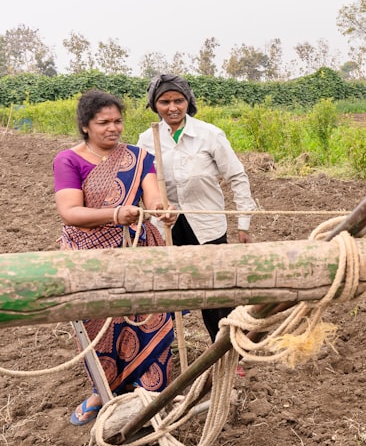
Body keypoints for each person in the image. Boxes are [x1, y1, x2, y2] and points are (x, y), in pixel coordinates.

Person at [53, 88, 178, 425]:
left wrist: (163, 211)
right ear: (85, 126)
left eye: (118, 121)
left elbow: (153, 199)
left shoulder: (139, 157)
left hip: (139, 252)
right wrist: (114, 214)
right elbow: (70, 212)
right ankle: (103, 391)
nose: (113, 128)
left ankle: (152, 394)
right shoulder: (69, 160)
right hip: (90, 257)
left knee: (150, 320)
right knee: (101, 328)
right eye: (103, 122)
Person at [137, 74, 259, 365]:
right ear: (155, 105)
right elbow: (141, 181)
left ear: (188, 102)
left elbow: (237, 177)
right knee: (166, 290)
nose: (172, 107)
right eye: (164, 102)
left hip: (206, 225)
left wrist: (243, 222)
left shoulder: (209, 135)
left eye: (178, 100)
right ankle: (161, 355)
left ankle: (229, 356)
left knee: (216, 294)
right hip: (164, 227)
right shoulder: (146, 139)